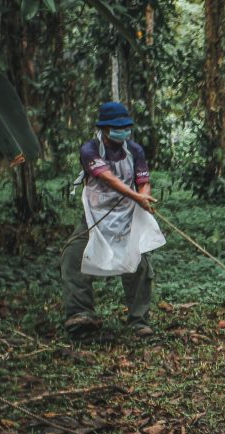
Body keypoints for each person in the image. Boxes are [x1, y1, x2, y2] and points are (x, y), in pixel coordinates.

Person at [61, 102, 160, 338]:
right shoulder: (90, 150)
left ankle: (139, 321)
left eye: (126, 126)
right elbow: (106, 178)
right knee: (73, 256)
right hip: (95, 215)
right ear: (105, 128)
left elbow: (143, 179)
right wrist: (135, 195)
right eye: (118, 127)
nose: (123, 130)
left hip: (126, 216)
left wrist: (143, 196)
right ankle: (80, 314)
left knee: (139, 263)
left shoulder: (135, 150)